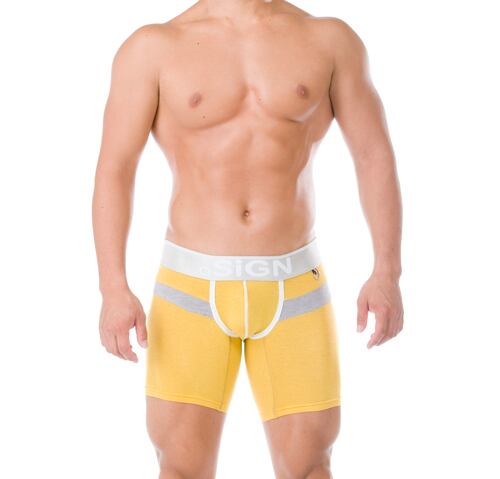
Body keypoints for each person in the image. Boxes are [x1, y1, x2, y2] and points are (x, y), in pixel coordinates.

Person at [92, 0, 404, 477]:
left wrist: (387, 271)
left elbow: (373, 154)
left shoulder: (329, 41)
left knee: (310, 467)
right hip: (190, 288)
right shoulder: (153, 48)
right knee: (181, 469)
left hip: (295, 287)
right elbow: (115, 168)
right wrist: (113, 288)